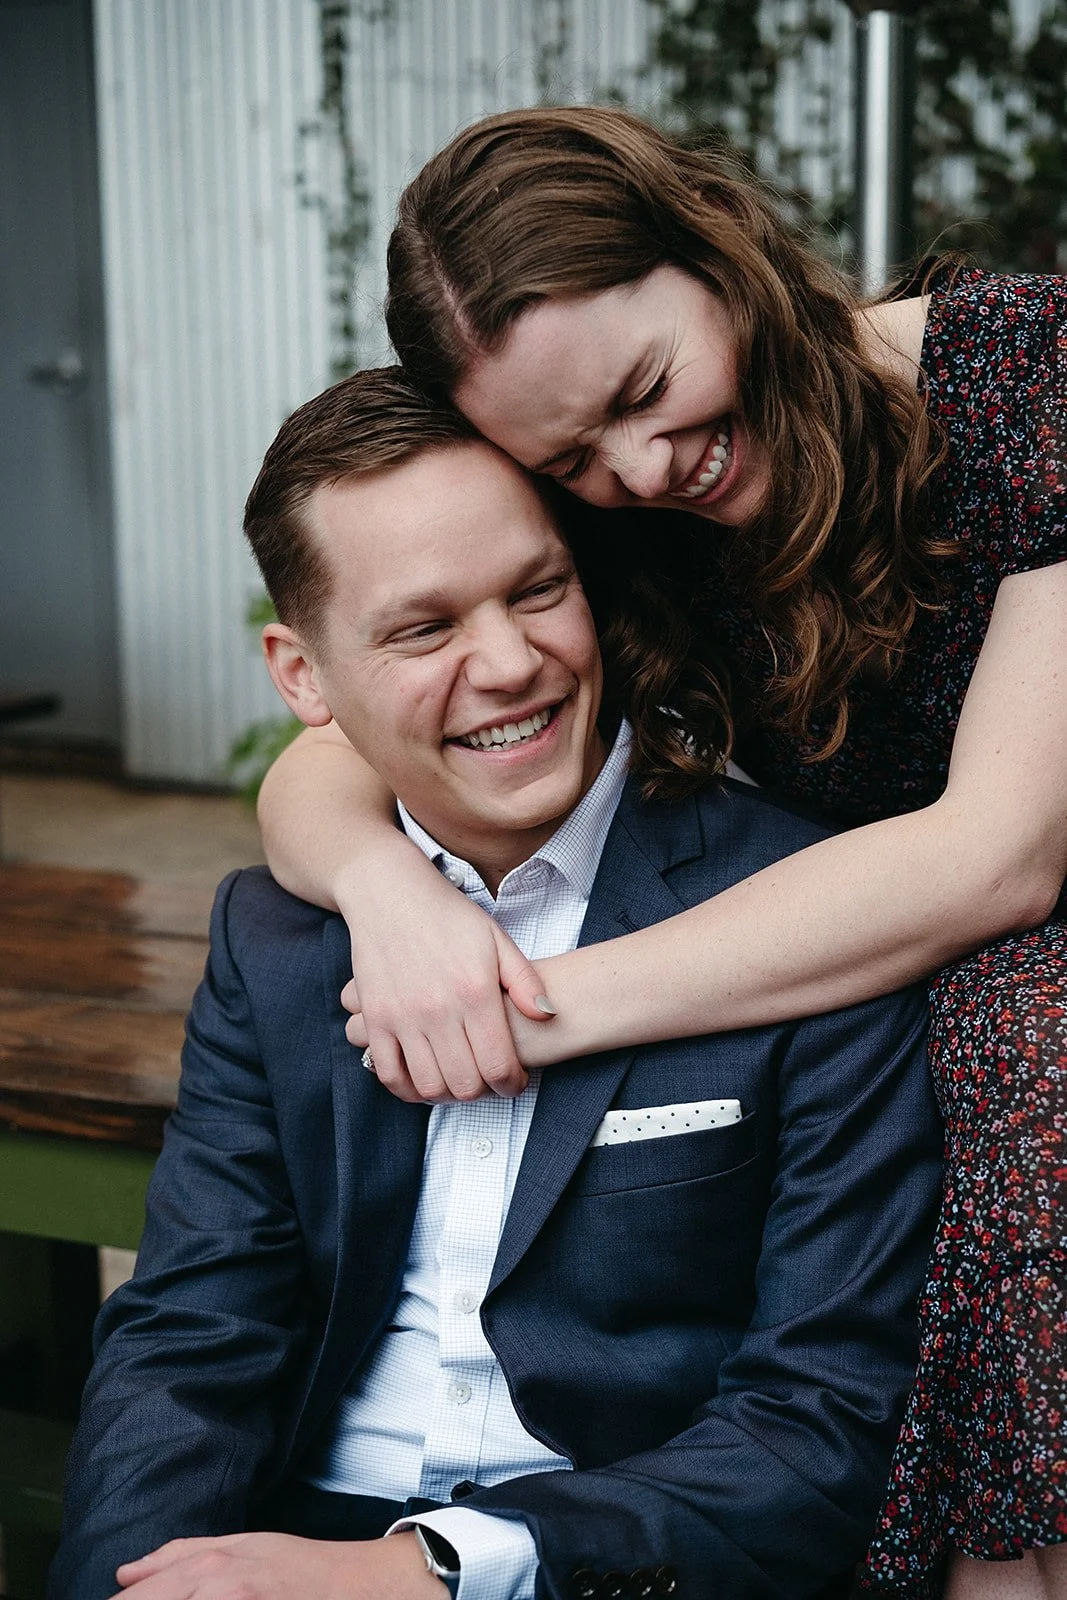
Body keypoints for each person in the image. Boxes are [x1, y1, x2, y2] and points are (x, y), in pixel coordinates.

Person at [255, 107, 1067, 1599]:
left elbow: (998, 856)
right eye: (574, 453)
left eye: (647, 387)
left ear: (715, 242)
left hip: (1004, 948)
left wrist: (520, 1008)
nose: (645, 464)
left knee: (1015, 1030)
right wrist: (388, 900)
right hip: (887, 984)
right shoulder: (628, 522)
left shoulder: (1024, 374)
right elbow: (333, 753)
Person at [50, 367, 941, 1600]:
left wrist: (429, 1572)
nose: (510, 662)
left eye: (538, 591)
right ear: (301, 677)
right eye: (424, 629)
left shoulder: (816, 916)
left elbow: (820, 1423)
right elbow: (193, 1335)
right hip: (296, 1534)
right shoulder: (278, 937)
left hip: (613, 1553)